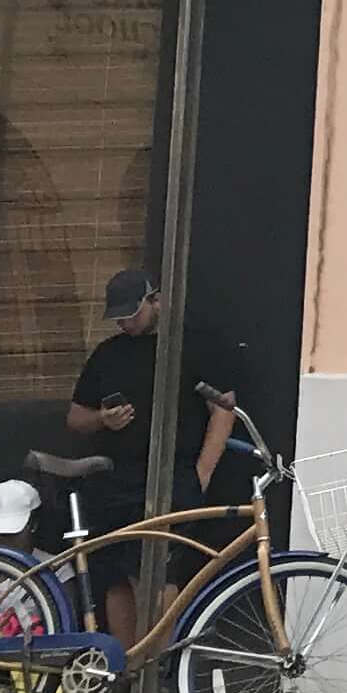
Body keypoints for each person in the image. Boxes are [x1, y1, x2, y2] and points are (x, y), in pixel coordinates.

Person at [66, 268, 257, 639]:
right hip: (114, 476)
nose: (125, 323)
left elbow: (224, 409)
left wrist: (202, 472)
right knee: (114, 574)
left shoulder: (194, 345)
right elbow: (75, 417)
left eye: (132, 314)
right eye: (118, 317)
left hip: (171, 473)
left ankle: (158, 666)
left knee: (155, 570)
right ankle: (125, 670)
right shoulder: (108, 354)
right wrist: (103, 419)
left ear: (157, 302)